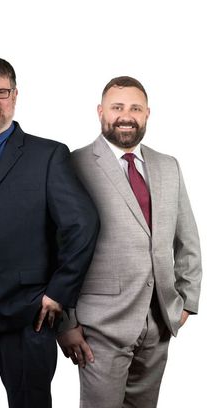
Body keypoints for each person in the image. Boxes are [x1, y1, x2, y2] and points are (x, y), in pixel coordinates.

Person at [0, 57, 99, 408]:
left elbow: (81, 225)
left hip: (26, 316)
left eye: (0, 91)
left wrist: (58, 293)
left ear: (15, 95)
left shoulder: (48, 155)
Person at [56, 76, 202, 408]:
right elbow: (58, 248)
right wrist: (66, 323)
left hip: (159, 320)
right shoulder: (74, 164)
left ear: (147, 114)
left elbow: (187, 239)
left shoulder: (168, 166)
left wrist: (186, 301)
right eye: (117, 107)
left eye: (135, 108)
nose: (126, 115)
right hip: (99, 325)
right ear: (100, 112)